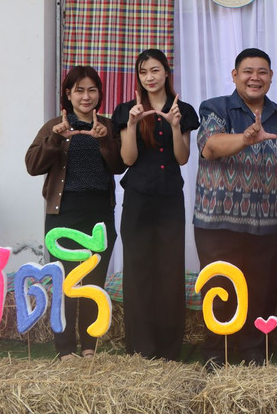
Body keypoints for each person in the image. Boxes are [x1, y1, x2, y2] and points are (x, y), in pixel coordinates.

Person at [194, 48, 277, 368]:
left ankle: (253, 351)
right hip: (218, 220)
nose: (255, 78)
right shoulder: (215, 107)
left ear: (271, 77)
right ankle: (216, 351)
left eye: (262, 72)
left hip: (268, 222)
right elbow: (210, 147)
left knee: (262, 291)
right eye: (248, 71)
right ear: (235, 75)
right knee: (219, 288)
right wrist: (245, 139)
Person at [26, 66, 125, 360]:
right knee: (65, 282)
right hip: (63, 214)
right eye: (79, 90)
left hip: (99, 215)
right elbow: (32, 165)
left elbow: (119, 166)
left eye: (92, 90)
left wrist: (105, 140)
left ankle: (89, 346)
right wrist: (55, 139)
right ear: (68, 94)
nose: (86, 96)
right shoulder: (54, 126)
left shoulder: (107, 125)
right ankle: (66, 348)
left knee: (94, 282)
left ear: (99, 94)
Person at [110, 49, 199, 361]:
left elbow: (182, 158)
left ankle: (169, 349)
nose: (149, 77)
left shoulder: (182, 110)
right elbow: (127, 159)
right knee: (138, 272)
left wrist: (174, 126)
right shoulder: (127, 110)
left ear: (166, 73)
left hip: (170, 200)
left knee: (170, 271)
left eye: (155, 70)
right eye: (143, 71)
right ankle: (141, 349)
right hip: (138, 200)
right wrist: (133, 125)